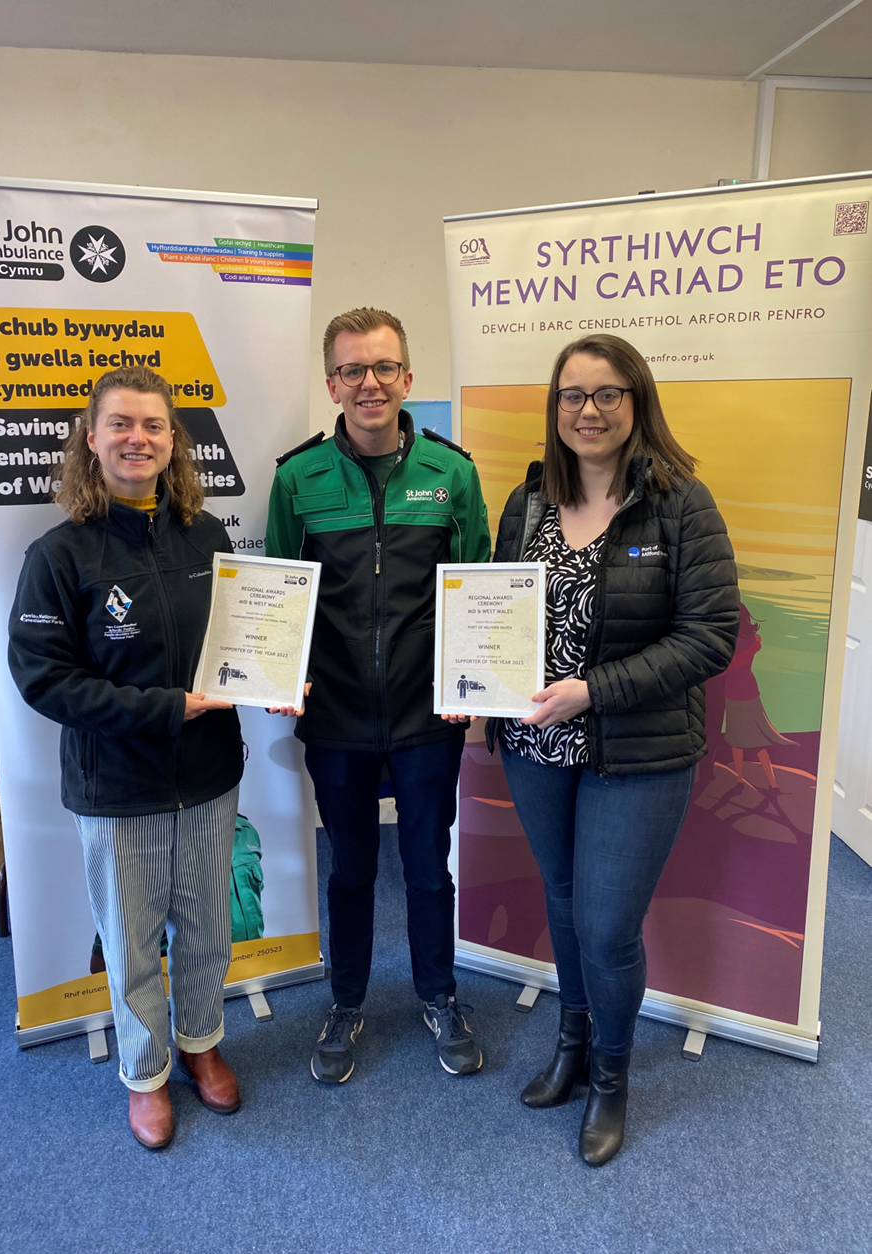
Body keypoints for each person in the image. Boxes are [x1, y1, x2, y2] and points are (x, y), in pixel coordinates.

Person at [490, 334, 738, 1165]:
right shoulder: (525, 504)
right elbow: (497, 618)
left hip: (638, 751)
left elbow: (711, 637)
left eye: (605, 395)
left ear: (637, 403)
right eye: (571, 396)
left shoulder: (680, 505)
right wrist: (477, 690)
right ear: (553, 407)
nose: (586, 412)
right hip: (536, 748)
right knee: (561, 903)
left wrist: (594, 690)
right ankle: (569, 1042)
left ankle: (610, 1075)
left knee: (606, 926)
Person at [8, 366, 245, 1150]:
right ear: (92, 437)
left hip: (209, 775)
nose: (137, 438)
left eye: (153, 425)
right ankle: (145, 1074)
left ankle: (202, 1042)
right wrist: (161, 711)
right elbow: (45, 679)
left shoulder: (207, 536)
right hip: (117, 786)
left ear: (173, 441)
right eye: (120, 424)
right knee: (134, 939)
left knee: (208, 929)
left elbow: (239, 644)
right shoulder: (60, 554)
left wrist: (272, 677)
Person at [265, 307, 490, 1083]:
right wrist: (276, 674)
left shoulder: (452, 473)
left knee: (429, 864)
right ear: (332, 382)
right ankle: (347, 1002)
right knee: (352, 864)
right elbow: (281, 595)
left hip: (431, 715)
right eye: (353, 369)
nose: (370, 383)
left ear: (408, 378)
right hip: (337, 717)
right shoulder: (297, 478)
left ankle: (440, 994)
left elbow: (478, 591)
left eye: (384, 368)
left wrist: (475, 683)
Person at [724, 603, 793, 790]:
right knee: (747, 739)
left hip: (739, 692)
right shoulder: (753, 639)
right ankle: (766, 782)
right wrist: (754, 647)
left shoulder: (732, 641)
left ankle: (749, 781)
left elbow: (734, 664)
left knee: (744, 739)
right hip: (744, 690)